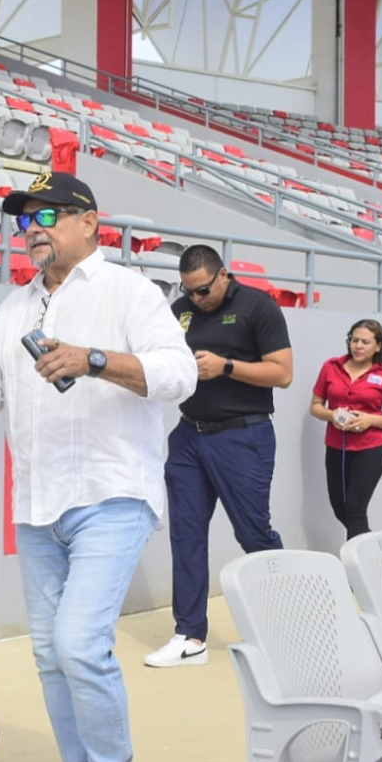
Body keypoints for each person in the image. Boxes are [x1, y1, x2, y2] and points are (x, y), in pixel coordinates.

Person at [0, 173, 197, 762]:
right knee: (52, 656)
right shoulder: (14, 308)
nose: (33, 229)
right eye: (23, 221)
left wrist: (96, 360)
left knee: (80, 645)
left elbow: (181, 374)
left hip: (111, 492)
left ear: (90, 222)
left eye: (47, 214)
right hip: (38, 504)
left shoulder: (126, 290)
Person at [146, 245, 292, 670]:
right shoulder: (180, 311)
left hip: (242, 435)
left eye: (204, 290)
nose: (197, 299)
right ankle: (189, 635)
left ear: (224, 275)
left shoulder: (258, 307)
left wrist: (227, 366)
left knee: (254, 535)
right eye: (189, 291)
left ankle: (287, 626)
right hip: (189, 436)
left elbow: (282, 373)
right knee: (186, 535)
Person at [309, 319, 382, 538]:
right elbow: (315, 407)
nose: (358, 346)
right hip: (336, 446)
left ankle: (355, 567)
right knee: (339, 508)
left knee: (355, 511)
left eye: (365, 342)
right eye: (355, 340)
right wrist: (331, 414)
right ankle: (373, 550)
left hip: (370, 448)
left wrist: (369, 420)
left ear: (378, 346)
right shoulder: (330, 367)